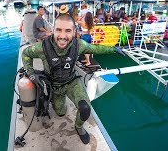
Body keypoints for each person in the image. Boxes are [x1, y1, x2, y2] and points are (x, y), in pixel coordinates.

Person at [22, 14, 124, 145]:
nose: (63, 36)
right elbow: (26, 54)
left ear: (74, 31)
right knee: (60, 113)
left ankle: (79, 127)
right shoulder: (42, 47)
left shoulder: (79, 45)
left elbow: (96, 48)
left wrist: (113, 49)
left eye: (68, 31)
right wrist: (30, 72)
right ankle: (58, 102)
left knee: (85, 108)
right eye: (59, 30)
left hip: (72, 82)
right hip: (55, 86)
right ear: (53, 30)